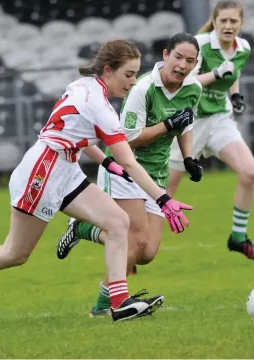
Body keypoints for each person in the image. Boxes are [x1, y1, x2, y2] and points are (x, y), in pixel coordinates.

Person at [0, 39, 193, 323]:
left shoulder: (83, 85)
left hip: (64, 167)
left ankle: (119, 303)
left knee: (118, 222)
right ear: (108, 70)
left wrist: (105, 162)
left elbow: (75, 134)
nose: (132, 82)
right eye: (129, 74)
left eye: (135, 75)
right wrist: (163, 199)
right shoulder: (101, 107)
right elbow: (130, 161)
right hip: (43, 173)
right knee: (14, 253)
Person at [56, 33, 203, 316]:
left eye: (190, 60)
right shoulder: (143, 88)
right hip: (126, 168)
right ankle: (106, 305)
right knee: (133, 241)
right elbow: (128, 138)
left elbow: (185, 124)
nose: (183, 65)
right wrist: (165, 125)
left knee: (148, 252)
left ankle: (82, 228)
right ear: (165, 55)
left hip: (157, 172)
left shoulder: (193, 88)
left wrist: (188, 157)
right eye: (178, 57)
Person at [168, 0, 254, 260]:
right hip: (192, 123)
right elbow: (186, 81)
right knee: (166, 193)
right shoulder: (200, 45)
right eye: (224, 21)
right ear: (215, 21)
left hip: (220, 119)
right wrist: (217, 74)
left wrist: (235, 95)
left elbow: (234, 71)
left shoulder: (242, 48)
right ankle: (136, 246)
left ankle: (238, 238)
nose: (229, 25)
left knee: (249, 172)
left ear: (241, 24)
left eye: (234, 21)